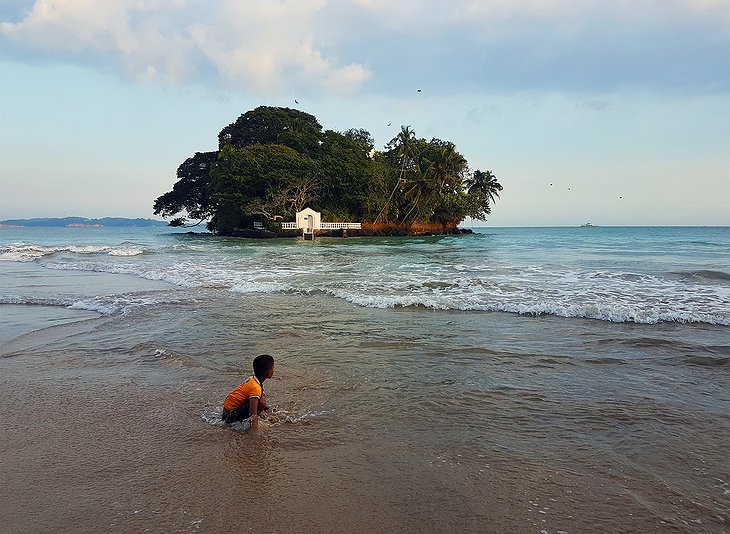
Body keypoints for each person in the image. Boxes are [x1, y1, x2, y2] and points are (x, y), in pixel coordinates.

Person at [221, 354, 275, 431]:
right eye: (273, 367)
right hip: (228, 418)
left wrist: (264, 405)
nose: (274, 369)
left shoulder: (253, 379)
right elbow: (252, 415)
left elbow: (259, 392)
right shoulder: (256, 388)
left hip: (227, 411)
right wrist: (254, 435)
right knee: (259, 403)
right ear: (269, 372)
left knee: (263, 404)